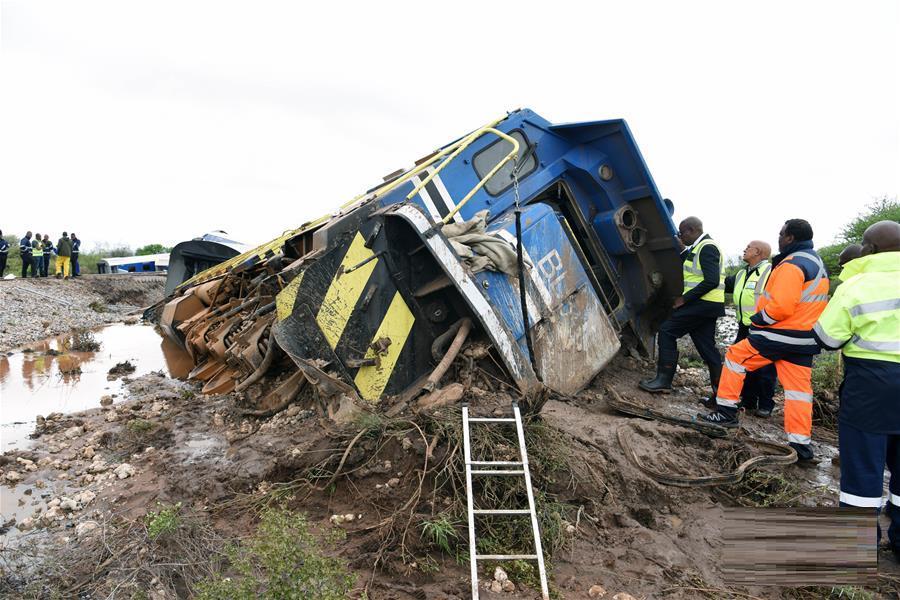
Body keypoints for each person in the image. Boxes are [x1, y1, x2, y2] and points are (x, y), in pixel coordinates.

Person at [701, 219, 829, 461]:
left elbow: (780, 307)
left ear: (790, 238)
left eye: (781, 234)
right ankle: (801, 446)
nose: (779, 238)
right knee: (798, 393)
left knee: (735, 358)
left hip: (779, 334)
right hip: (803, 340)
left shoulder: (792, 264)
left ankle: (726, 413)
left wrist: (758, 320)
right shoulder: (817, 262)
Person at [813, 220, 900, 561]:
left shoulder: (856, 285)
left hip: (871, 385)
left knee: (864, 468)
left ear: (872, 250)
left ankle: (857, 550)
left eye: (864, 245)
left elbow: (826, 338)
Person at [640, 216, 725, 394]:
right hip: (707, 305)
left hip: (702, 304)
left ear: (691, 230)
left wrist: (684, 299)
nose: (680, 236)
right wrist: (682, 250)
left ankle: (663, 380)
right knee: (707, 349)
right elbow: (695, 267)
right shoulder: (700, 247)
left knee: (667, 331)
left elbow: (711, 280)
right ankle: (721, 395)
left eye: (681, 232)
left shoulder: (707, 247)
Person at [722, 240, 777, 418]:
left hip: (764, 326)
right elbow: (723, 284)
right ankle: (748, 400)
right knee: (743, 363)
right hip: (744, 325)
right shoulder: (742, 273)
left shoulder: (770, 272)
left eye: (748, 248)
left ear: (758, 252)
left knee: (765, 367)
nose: (744, 249)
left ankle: (766, 404)